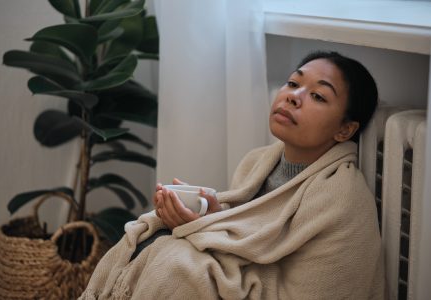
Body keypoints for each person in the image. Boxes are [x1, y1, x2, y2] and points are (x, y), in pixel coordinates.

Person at [79, 51, 384, 299]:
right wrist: (211, 214)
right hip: (249, 277)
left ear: (345, 130)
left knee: (177, 265)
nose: (294, 96)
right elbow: (248, 240)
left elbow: (283, 278)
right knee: (152, 232)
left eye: (318, 96)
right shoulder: (258, 161)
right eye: (293, 83)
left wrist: (202, 229)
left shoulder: (342, 197)